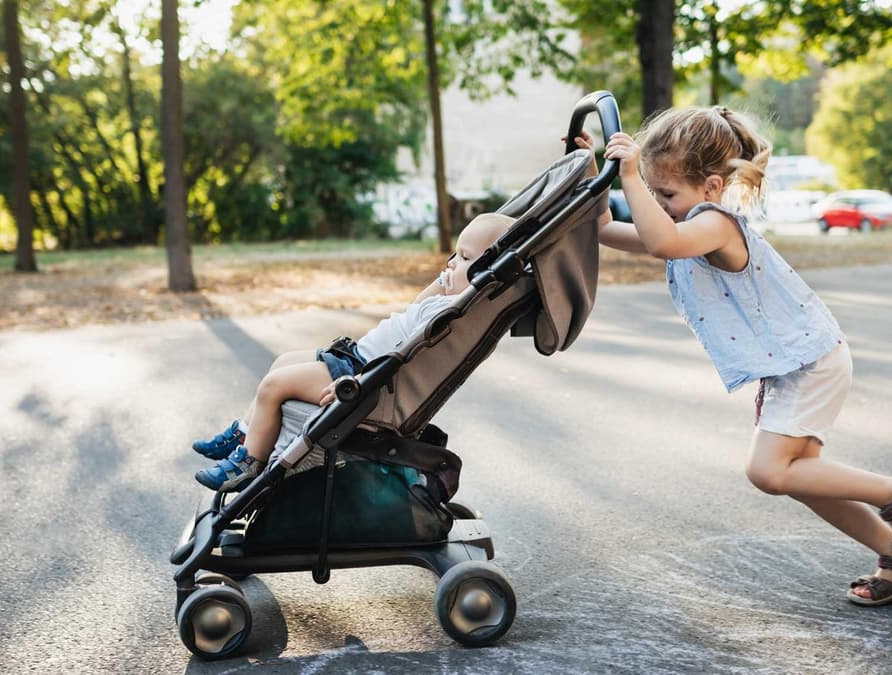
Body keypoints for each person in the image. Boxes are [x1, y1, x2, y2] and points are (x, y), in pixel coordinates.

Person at [574, 105, 892, 606]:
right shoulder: (683, 221)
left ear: (713, 187)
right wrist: (595, 173)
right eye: (655, 194)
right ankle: (890, 547)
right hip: (789, 368)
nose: (659, 204)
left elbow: (663, 242)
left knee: (769, 472)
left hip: (811, 363)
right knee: (806, 481)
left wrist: (633, 175)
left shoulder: (714, 224)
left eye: (667, 194)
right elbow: (605, 229)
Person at [191, 212, 515, 493]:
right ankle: (244, 435)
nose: (451, 263)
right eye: (453, 254)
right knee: (284, 361)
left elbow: (410, 357)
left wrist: (361, 380)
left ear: (484, 272)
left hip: (361, 373)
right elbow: (420, 301)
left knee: (274, 386)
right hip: (352, 358)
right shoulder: (448, 302)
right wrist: (450, 278)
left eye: (464, 257)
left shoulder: (451, 317)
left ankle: (249, 464)